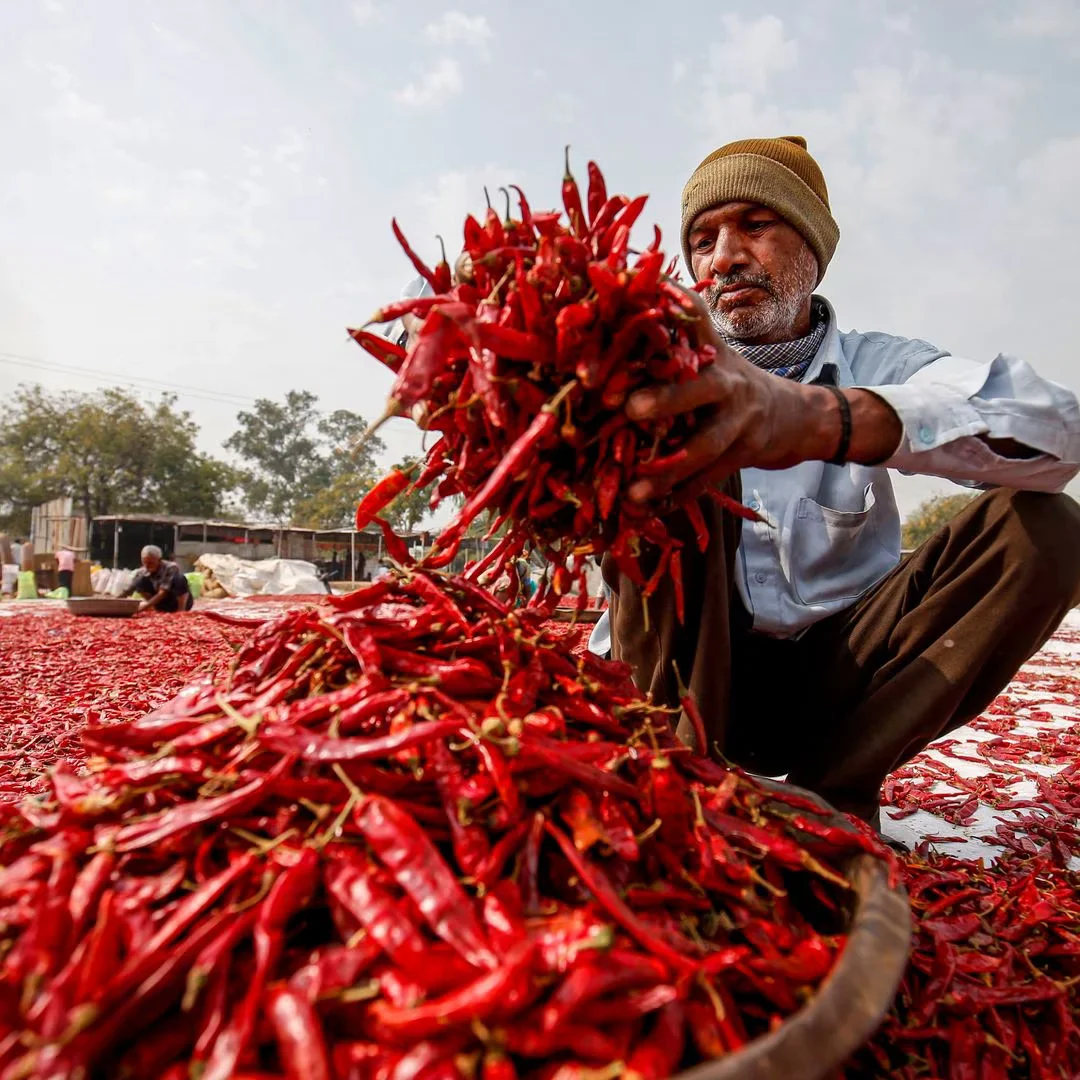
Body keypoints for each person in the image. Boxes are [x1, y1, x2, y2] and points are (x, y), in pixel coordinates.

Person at [590, 135, 1080, 826]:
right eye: (702, 239)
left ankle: (830, 798)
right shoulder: (653, 368)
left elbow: (1057, 428)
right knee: (675, 456)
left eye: (754, 227)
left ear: (813, 252)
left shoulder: (880, 361)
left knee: (1047, 529)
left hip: (836, 684)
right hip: (679, 673)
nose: (724, 256)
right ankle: (671, 791)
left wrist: (826, 418)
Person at [128, 545, 193, 613]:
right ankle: (155, 607)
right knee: (139, 581)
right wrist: (117, 600)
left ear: (159, 560)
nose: (147, 566)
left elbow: (163, 593)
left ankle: (181, 610)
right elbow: (130, 588)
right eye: (144, 562)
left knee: (179, 578)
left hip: (175, 601)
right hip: (161, 604)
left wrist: (145, 606)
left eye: (151, 563)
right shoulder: (142, 571)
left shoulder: (171, 567)